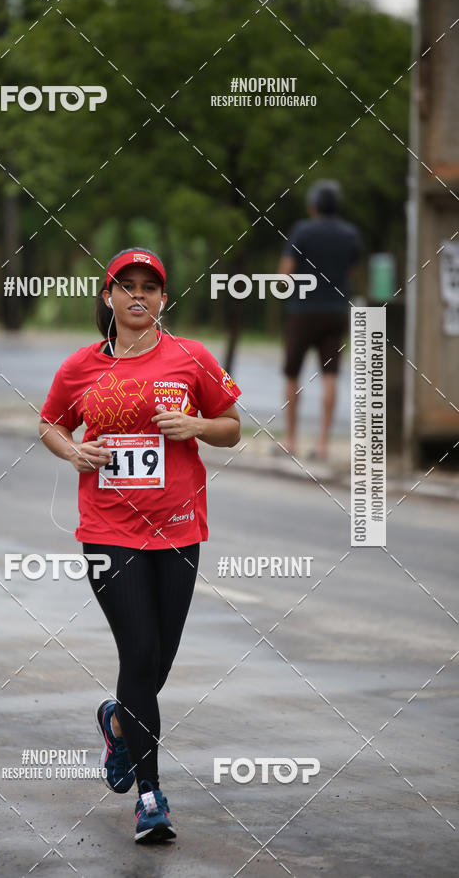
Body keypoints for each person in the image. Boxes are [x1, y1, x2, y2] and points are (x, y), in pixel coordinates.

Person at [39, 247, 241, 843]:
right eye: (125, 286)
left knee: (157, 663)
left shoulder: (192, 357)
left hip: (179, 528)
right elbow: (50, 423)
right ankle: (151, 797)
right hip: (109, 532)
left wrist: (198, 426)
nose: (137, 295)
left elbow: (232, 426)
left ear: (162, 299)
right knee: (139, 653)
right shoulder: (80, 366)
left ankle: (120, 724)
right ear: (108, 298)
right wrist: (74, 451)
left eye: (148, 287)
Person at [278, 180, 361, 461]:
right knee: (330, 374)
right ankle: (323, 443)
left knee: (292, 373)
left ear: (313, 206)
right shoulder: (350, 233)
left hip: (303, 311)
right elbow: (351, 270)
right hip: (336, 310)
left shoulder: (302, 231)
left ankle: (291, 440)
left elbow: (284, 275)